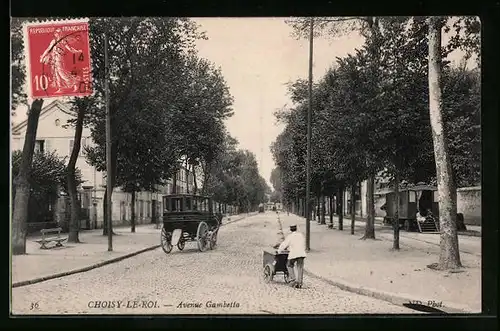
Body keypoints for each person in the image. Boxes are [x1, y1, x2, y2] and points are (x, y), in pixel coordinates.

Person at [277, 224, 307, 288]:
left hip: (294, 253)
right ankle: (299, 283)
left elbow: (284, 244)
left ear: (290, 229)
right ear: (296, 229)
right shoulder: (301, 235)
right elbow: (303, 243)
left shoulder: (290, 236)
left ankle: (293, 279)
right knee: (300, 267)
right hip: (301, 253)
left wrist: (279, 251)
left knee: (289, 265)